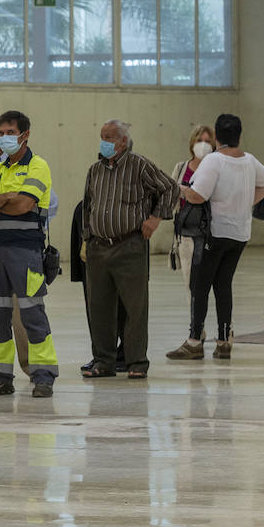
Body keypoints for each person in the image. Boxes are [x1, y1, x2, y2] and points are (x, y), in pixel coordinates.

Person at [167, 113, 264, 361]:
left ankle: (194, 341)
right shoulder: (249, 160)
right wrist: (248, 201)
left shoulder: (214, 161)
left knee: (200, 287)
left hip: (213, 234)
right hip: (239, 234)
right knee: (223, 286)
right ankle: (225, 340)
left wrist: (180, 188)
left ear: (217, 136)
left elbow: (197, 195)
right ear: (239, 135)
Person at [80, 120, 177, 379]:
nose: (104, 142)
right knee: (99, 307)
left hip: (130, 245)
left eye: (109, 137)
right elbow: (88, 206)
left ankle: (136, 362)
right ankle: (103, 361)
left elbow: (170, 188)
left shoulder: (139, 165)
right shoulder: (94, 170)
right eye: (102, 136)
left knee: (135, 307)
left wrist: (156, 218)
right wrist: (87, 238)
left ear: (123, 141)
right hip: (99, 247)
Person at [0, 110, 58, 398]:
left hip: (26, 251)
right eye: (1, 132)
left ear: (25, 134)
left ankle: (43, 374)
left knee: (32, 315)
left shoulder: (38, 166)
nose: (3, 138)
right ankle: (0, 376)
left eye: (9, 132)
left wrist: (3, 200)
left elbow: (24, 205)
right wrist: (6, 199)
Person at [171, 125, 218, 288]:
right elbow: (171, 196)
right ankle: (194, 312)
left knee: (209, 282)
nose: (203, 145)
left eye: (207, 141)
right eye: (199, 140)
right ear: (192, 143)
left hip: (211, 233)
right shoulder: (181, 168)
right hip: (186, 232)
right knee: (191, 283)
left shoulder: (217, 168)